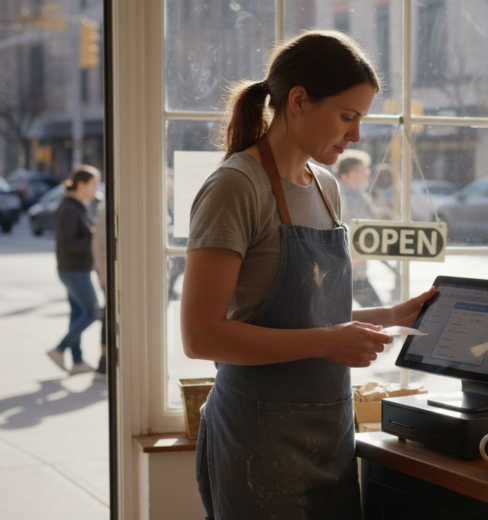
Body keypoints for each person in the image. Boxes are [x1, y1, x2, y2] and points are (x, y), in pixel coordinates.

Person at [181, 30, 435, 519]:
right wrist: (325, 342)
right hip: (256, 439)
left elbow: (308, 314)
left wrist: (388, 315)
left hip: (329, 435)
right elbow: (201, 336)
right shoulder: (235, 187)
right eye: (347, 117)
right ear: (298, 100)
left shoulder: (325, 187)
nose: (357, 136)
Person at [47, 165, 101, 376]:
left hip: (77, 268)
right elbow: (68, 244)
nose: (96, 188)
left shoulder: (78, 206)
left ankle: (77, 361)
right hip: (73, 269)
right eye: (93, 184)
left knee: (78, 313)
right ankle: (59, 349)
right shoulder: (69, 209)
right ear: (81, 184)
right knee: (92, 312)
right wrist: (93, 236)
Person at [335, 150, 384, 308]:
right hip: (349, 271)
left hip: (354, 271)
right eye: (362, 170)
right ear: (347, 174)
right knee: (376, 312)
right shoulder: (342, 195)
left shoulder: (361, 196)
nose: (367, 174)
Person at [91, 199, 108, 377]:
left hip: (105, 272)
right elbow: (100, 245)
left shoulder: (104, 206)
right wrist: (103, 274)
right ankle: (104, 359)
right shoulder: (107, 207)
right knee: (108, 315)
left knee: (107, 315)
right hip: (109, 274)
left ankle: (104, 360)